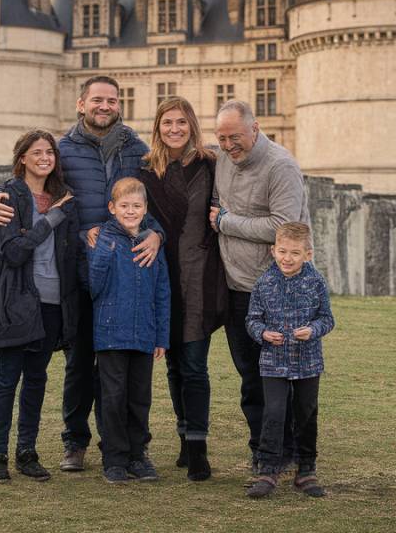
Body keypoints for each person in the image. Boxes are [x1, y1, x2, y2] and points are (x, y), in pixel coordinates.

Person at [0, 76, 163, 472]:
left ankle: (124, 446)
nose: (105, 106)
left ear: (120, 105)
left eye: (112, 101)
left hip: (124, 275)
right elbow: (27, 178)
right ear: (81, 104)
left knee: (122, 368)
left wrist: (157, 234)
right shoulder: (62, 149)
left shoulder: (138, 151)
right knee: (80, 364)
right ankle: (76, 441)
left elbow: (157, 208)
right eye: (97, 100)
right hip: (76, 274)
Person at [209, 99, 310, 471]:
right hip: (237, 290)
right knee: (250, 378)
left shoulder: (281, 166)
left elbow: (284, 225)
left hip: (276, 292)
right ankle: (264, 449)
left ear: (255, 128)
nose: (228, 145)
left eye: (235, 136)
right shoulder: (220, 157)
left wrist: (227, 222)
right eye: (221, 138)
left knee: (281, 376)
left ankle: (288, 449)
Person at [0, 130, 81, 483]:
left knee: (37, 379)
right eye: (36, 152)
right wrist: (51, 219)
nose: (45, 157)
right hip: (18, 300)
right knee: (7, 379)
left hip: (54, 303)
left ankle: (27, 451)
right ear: (22, 157)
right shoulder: (9, 195)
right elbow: (12, 253)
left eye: (50, 152)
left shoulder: (64, 198)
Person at [139, 96, 226, 481]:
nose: (174, 130)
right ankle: (183, 438)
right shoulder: (146, 171)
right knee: (173, 365)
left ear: (192, 124)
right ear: (157, 128)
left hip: (201, 274)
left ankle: (198, 448)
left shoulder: (210, 164)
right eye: (167, 123)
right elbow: (132, 217)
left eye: (181, 122)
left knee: (194, 365)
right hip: (162, 277)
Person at [89, 178, 171, 484]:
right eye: (124, 206)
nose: (131, 211)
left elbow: (162, 292)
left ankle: (138, 454)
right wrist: (104, 249)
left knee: (140, 398)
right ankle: (114, 457)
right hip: (110, 334)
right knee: (113, 396)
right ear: (112, 208)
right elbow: (94, 286)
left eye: (137, 206)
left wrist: (161, 336)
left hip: (144, 334)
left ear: (145, 208)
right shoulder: (103, 240)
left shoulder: (152, 243)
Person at [244, 222, 334, 499]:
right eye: (282, 251)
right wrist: (262, 333)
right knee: (273, 413)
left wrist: (313, 331)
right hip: (273, 362)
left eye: (295, 253)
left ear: (308, 254)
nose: (287, 258)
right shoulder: (264, 283)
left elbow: (327, 319)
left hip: (308, 362)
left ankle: (306, 469)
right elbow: (252, 320)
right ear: (273, 251)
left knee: (306, 413)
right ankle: (268, 469)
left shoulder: (316, 282)